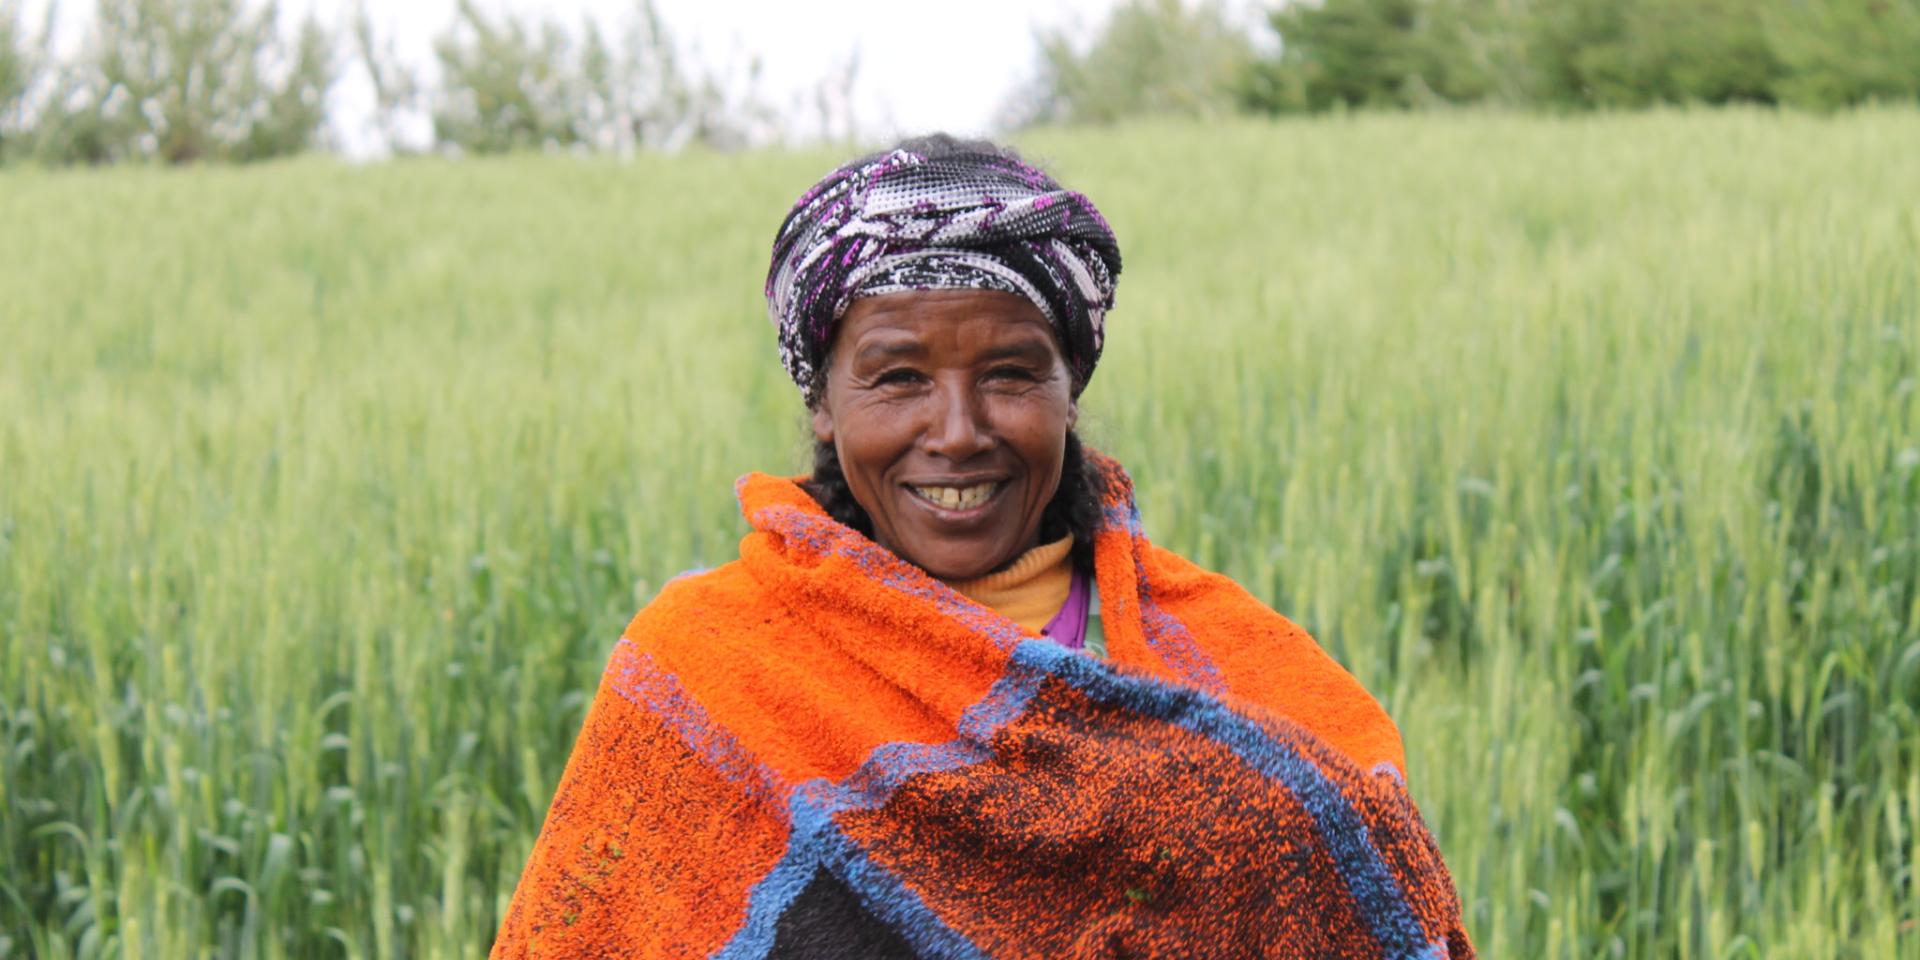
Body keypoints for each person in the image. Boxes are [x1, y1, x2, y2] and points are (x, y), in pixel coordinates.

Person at [491, 135, 1474, 959]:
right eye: (898, 377)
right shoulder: (708, 669)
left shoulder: (1236, 667)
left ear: (1067, 394)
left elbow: (1371, 887)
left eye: (1010, 372)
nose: (957, 430)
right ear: (824, 406)